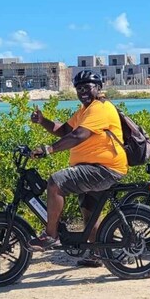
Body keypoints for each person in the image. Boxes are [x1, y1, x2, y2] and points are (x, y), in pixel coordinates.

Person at [26, 70, 128, 268]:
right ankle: (98, 253)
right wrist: (43, 121)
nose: (82, 92)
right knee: (89, 215)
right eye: (79, 88)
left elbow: (78, 135)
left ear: (98, 88)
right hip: (92, 168)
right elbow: (65, 130)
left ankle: (50, 235)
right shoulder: (85, 110)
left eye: (87, 87)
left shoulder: (100, 108)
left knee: (56, 182)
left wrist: (49, 150)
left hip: (104, 169)